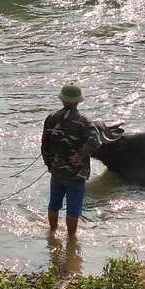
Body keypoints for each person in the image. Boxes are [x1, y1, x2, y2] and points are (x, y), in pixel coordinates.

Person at [41, 82, 101, 236]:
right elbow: (95, 141)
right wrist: (81, 153)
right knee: (73, 209)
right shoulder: (84, 122)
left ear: (62, 100)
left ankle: (52, 232)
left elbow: (45, 144)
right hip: (76, 173)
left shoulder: (51, 118)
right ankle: (71, 239)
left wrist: (50, 165)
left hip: (56, 171)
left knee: (54, 205)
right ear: (79, 101)